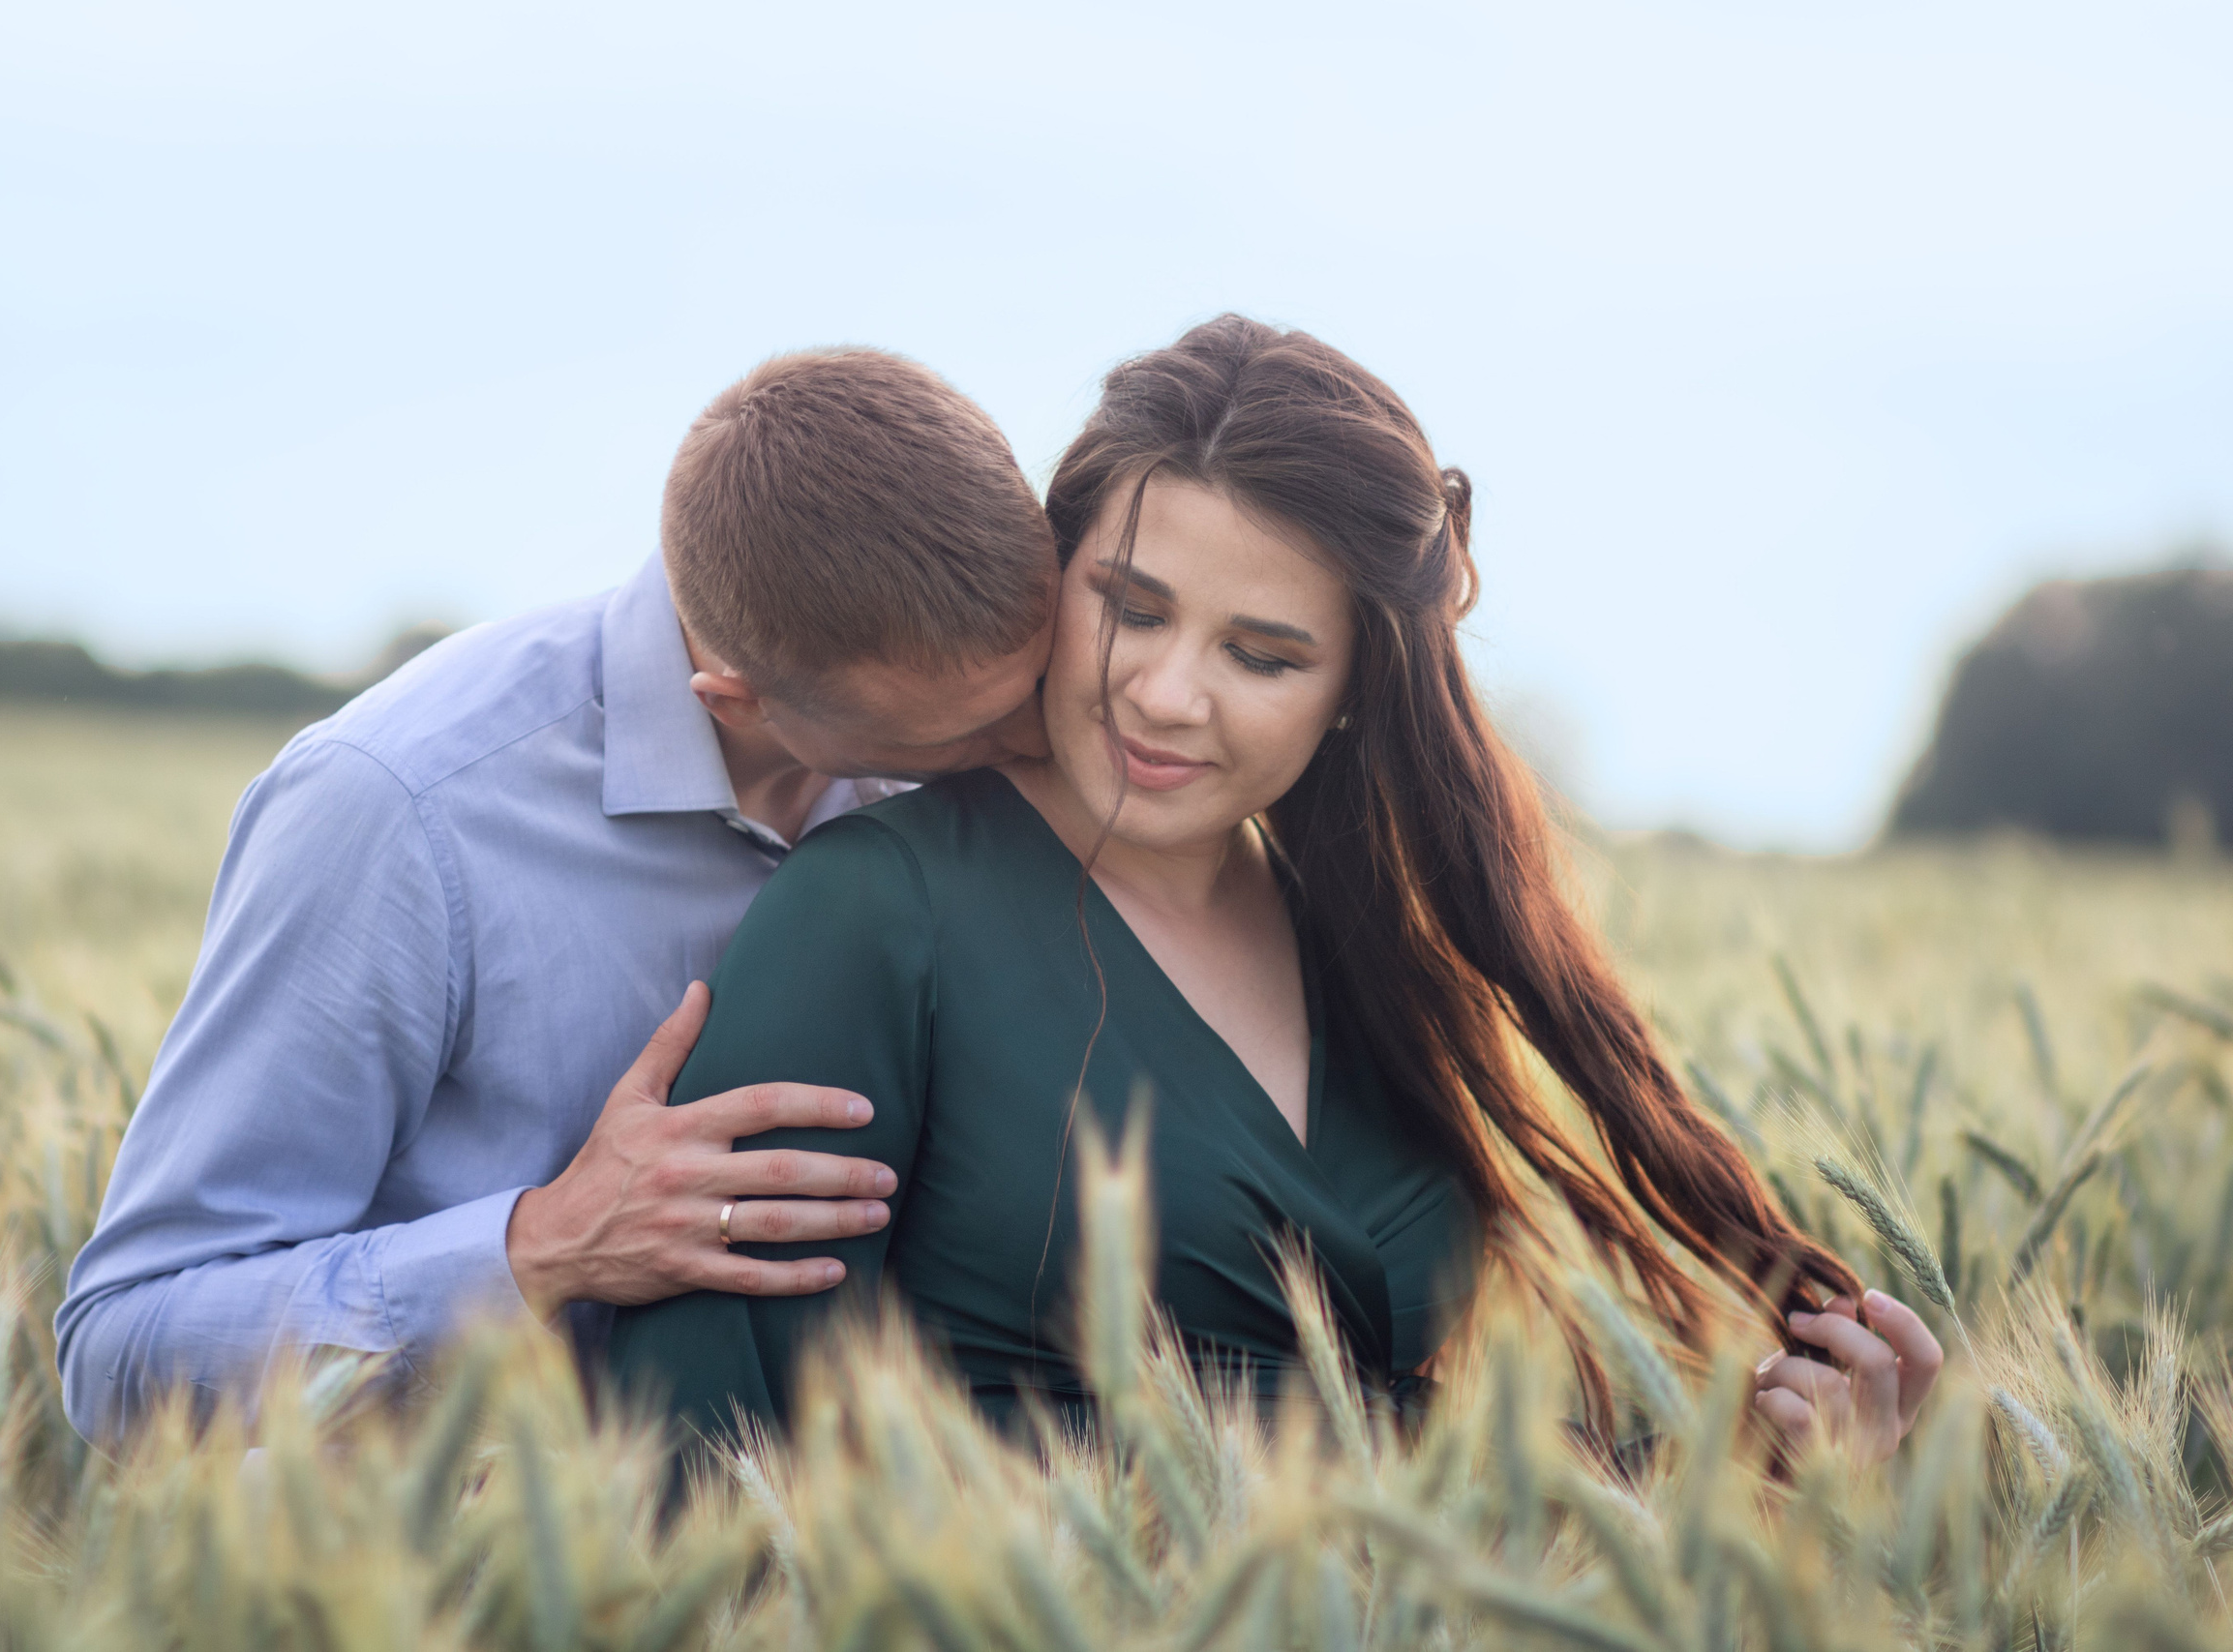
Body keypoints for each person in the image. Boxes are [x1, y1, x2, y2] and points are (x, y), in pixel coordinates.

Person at [609, 315, 1944, 1464]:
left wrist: (1748, 1466)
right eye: (1131, 606)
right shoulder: (872, 914)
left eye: (1261, 655)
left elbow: (1394, 1473)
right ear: (1054, 574)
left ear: (1357, 687)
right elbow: (707, 1455)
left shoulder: (1374, 950)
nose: (1165, 694)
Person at [55, 347, 1061, 1445]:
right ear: (736, 700)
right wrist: (542, 1247)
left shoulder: (965, 737)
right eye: (968, 733)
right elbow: (119, 1355)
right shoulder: (396, 809)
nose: (1040, 741)